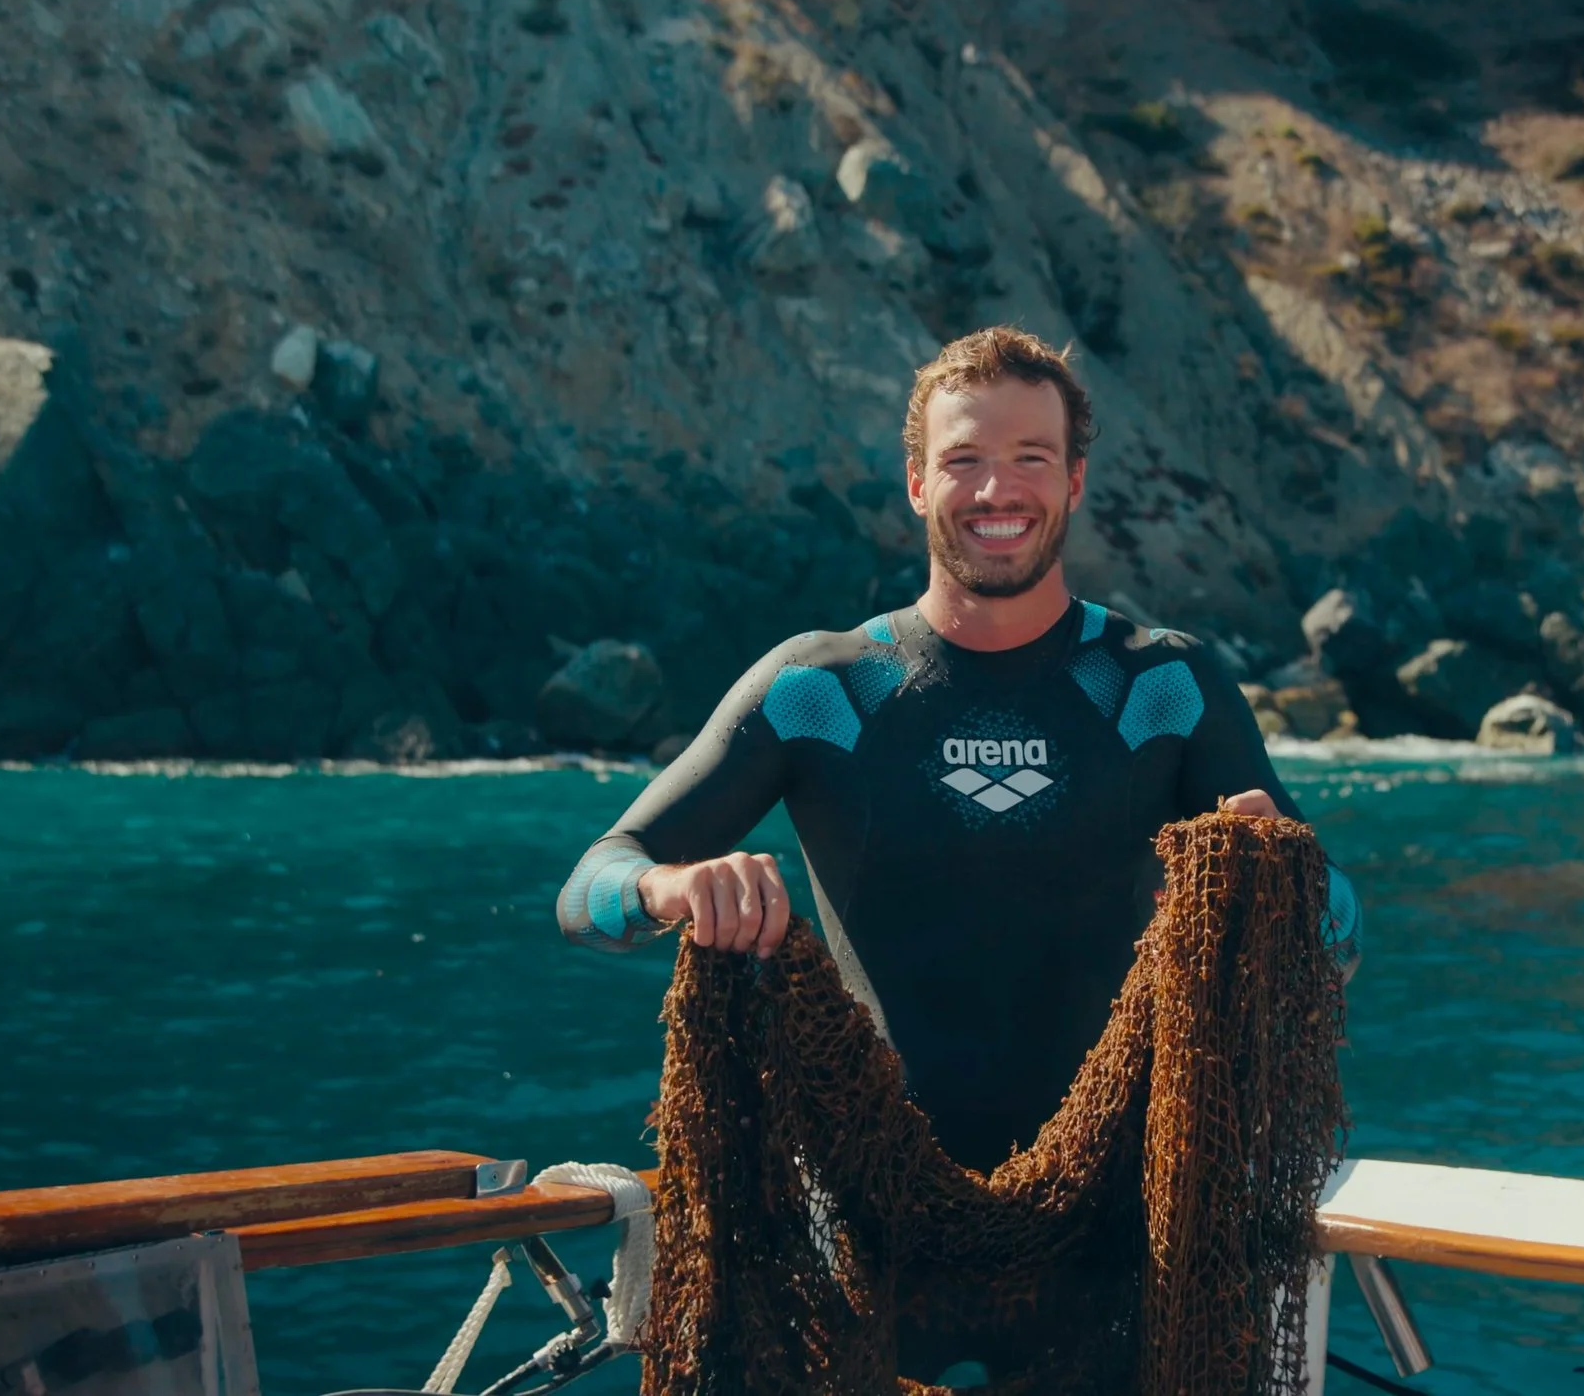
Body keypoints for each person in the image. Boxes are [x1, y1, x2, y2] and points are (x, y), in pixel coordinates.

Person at [555, 326, 1362, 1373]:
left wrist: (1287, 880)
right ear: (916, 482)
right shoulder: (819, 686)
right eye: (965, 460)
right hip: (864, 1236)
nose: (997, 489)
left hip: (1122, 1246)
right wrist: (670, 883)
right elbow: (589, 886)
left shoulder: (1164, 684)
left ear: (1073, 480)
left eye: (1030, 458)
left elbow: (1339, 933)